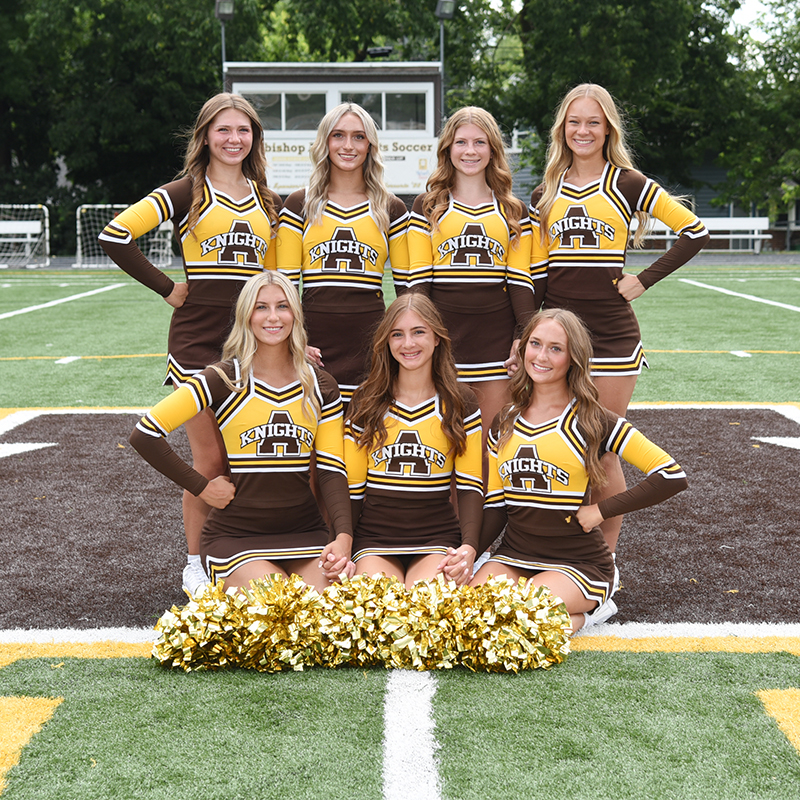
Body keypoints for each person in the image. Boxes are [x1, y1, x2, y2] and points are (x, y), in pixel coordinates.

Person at [99, 93, 282, 596]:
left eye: (243, 130)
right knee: (211, 461)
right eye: (223, 129)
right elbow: (115, 235)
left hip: (250, 343)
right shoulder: (186, 191)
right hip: (198, 341)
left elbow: (276, 280)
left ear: (255, 138)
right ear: (204, 136)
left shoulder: (267, 200)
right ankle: (196, 563)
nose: (233, 139)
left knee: (251, 455)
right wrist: (166, 287)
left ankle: (243, 550)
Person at [528, 83, 708, 553]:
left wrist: (644, 280)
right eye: (574, 122)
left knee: (603, 449)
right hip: (559, 339)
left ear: (608, 129)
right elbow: (536, 275)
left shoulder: (627, 183)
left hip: (611, 337)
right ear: (562, 129)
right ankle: (566, 552)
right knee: (563, 446)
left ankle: (605, 563)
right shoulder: (545, 192)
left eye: (594, 122)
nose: (583, 130)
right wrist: (525, 335)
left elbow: (694, 231)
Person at [129, 271, 353, 594]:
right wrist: (203, 487)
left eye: (283, 306)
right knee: (279, 603)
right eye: (261, 307)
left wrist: (343, 537)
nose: (273, 317)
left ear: (296, 314)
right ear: (246, 315)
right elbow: (145, 433)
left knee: (323, 608)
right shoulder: (222, 379)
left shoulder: (320, 384)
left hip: (306, 534)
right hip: (235, 539)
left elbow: (332, 469)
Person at [471, 309, 688, 632]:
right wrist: (469, 552)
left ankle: (590, 612)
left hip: (578, 564)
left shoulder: (593, 421)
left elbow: (671, 475)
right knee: (470, 613)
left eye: (556, 348)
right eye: (535, 344)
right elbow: (496, 506)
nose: (541, 356)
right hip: (515, 556)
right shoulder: (505, 421)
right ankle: (572, 617)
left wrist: (600, 510)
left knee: (521, 618)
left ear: (573, 358)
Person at [407, 106, 535, 453]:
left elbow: (520, 281)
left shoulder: (513, 210)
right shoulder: (427, 206)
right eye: (461, 142)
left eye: (480, 142)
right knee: (442, 446)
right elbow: (419, 283)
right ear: (448, 148)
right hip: (443, 342)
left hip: (496, 344)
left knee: (492, 446)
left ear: (493, 149)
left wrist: (522, 336)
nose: (470, 151)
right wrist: (420, 337)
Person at [345, 294, 484, 587]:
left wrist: (469, 547)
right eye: (397, 334)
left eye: (418, 332)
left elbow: (470, 485)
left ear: (437, 337)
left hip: (437, 539)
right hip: (375, 539)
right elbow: (353, 489)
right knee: (379, 605)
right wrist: (343, 543)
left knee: (425, 604)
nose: (408, 344)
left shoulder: (460, 401)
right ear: (386, 341)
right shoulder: (366, 400)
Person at [277, 102, 410, 407]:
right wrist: (295, 342)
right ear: (324, 142)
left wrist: (400, 343)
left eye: (358, 137)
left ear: (370, 145)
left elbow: (407, 292)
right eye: (338, 135)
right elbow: (284, 287)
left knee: (365, 431)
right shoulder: (299, 204)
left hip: (371, 344)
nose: (348, 146)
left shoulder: (391, 208)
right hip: (313, 345)